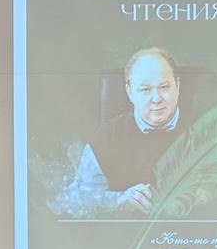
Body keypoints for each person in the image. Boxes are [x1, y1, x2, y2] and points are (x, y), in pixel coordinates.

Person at [57, 47, 184, 217]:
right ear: (130, 92)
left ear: (177, 85)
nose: (156, 99)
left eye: (164, 87)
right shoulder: (104, 140)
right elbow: (79, 199)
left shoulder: (209, 125)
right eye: (145, 89)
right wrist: (118, 200)